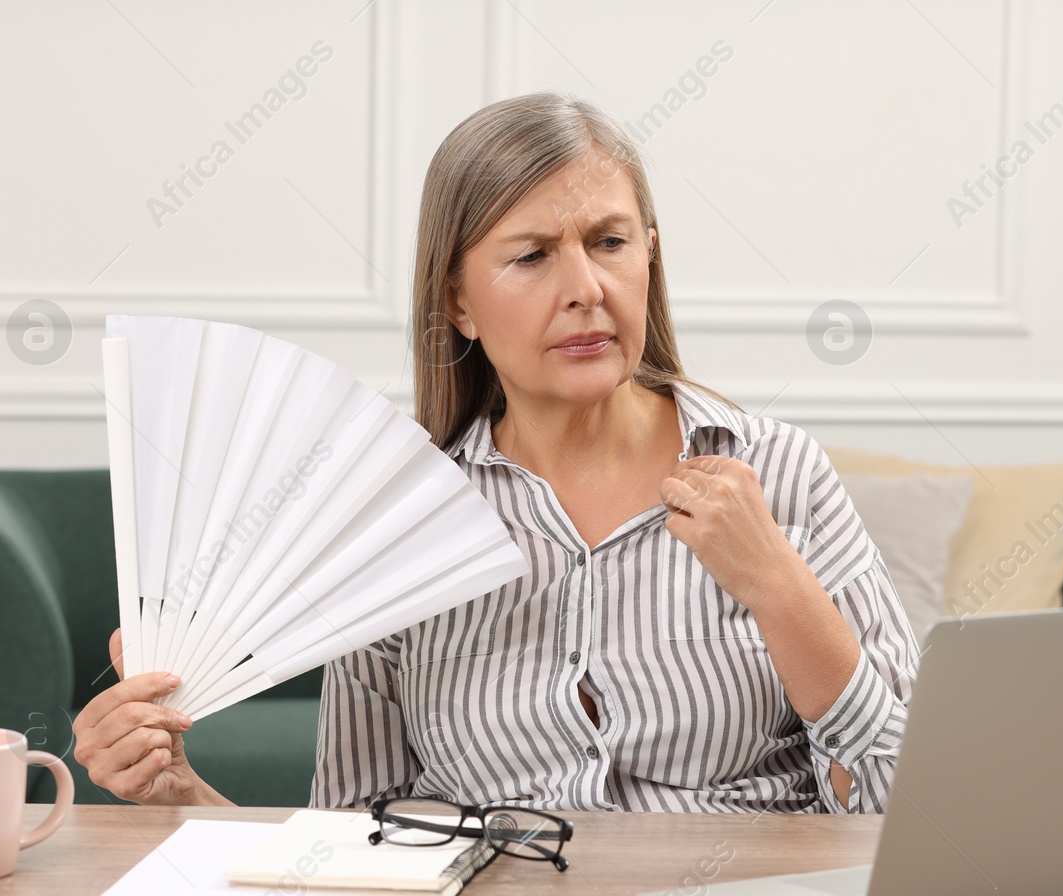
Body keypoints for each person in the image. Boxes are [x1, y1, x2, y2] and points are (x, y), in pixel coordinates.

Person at [73, 91, 919, 814]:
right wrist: (176, 791)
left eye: (611, 242)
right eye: (532, 256)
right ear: (459, 303)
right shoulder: (388, 526)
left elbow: (906, 804)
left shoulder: (780, 475)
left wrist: (778, 585)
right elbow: (349, 853)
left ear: (650, 259)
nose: (586, 288)